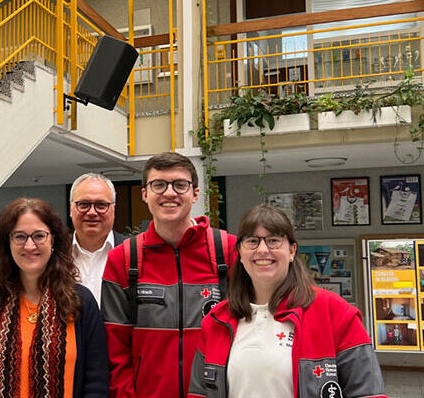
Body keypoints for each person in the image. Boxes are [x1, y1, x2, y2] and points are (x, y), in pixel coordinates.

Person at [189, 204, 385, 398]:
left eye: (274, 240)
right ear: (240, 252)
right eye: (252, 241)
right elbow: (199, 394)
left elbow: (368, 393)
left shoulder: (335, 312)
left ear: (292, 251)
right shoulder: (216, 320)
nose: (262, 249)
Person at [101, 152, 237, 398]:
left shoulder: (227, 251)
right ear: (144, 194)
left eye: (180, 184)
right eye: (159, 184)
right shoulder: (122, 259)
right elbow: (115, 349)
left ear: (196, 193)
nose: (169, 193)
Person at [0, 198, 109, 397]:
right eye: (20, 236)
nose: (30, 246)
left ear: (53, 239)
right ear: (7, 243)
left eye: (39, 236)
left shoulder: (81, 301)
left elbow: (96, 384)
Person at [69, 173, 127, 305]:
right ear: (71, 209)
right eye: (83, 204)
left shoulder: (133, 253)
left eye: (101, 205)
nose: (92, 212)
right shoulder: (54, 254)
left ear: (113, 210)